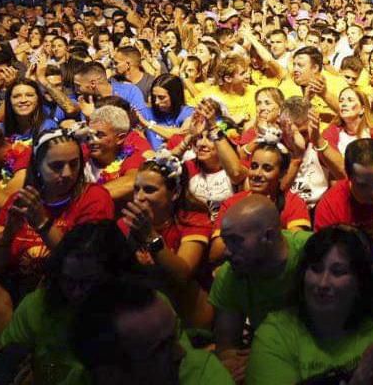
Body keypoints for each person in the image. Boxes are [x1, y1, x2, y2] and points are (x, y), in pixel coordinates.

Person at [246, 226, 373, 384]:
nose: (322, 283)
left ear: (361, 282)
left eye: (338, 272)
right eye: (315, 269)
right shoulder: (275, 334)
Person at [0, 221, 137, 385]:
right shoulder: (38, 305)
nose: (76, 292)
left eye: (88, 282)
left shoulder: (147, 311)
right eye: (69, 281)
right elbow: (2, 367)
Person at [0, 128, 115, 295]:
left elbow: (85, 265)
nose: (67, 173)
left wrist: (43, 224)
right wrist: (8, 234)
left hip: (70, 296)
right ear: (38, 166)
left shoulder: (94, 197)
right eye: (57, 166)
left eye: (74, 164)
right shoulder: (22, 199)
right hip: (14, 293)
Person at [209, 194, 311, 382]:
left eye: (236, 241)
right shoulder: (230, 273)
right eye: (225, 241)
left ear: (269, 236)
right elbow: (227, 349)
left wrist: (270, 356)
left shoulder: (312, 254)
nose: (226, 251)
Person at [71, 277, 233, 385]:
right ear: (109, 375)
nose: (181, 353)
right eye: (161, 348)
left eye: (175, 337)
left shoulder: (201, 373)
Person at [119, 153, 214, 329]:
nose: (139, 197)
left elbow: (182, 274)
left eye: (149, 190)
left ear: (175, 193)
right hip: (144, 315)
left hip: (190, 318)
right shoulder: (125, 224)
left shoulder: (193, 220)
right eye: (136, 189)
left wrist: (149, 235)